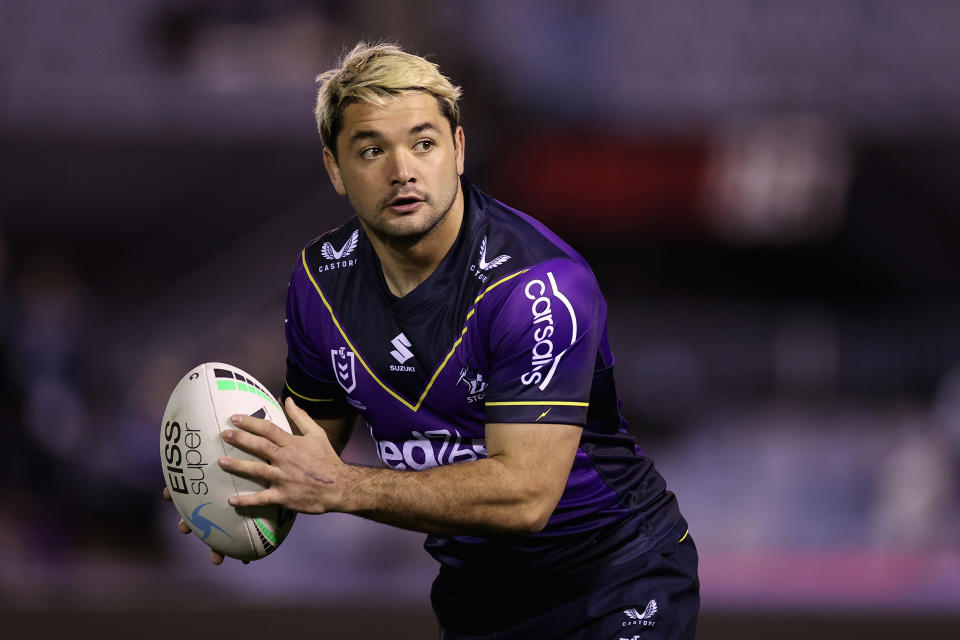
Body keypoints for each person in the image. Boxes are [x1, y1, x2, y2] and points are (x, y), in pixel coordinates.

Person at [166, 42, 699, 639]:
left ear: (459, 150)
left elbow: (526, 498)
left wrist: (340, 487)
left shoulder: (538, 288)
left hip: (615, 580)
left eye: (424, 143)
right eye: (371, 150)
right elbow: (312, 444)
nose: (402, 171)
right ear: (334, 169)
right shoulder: (318, 282)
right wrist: (235, 483)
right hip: (476, 600)